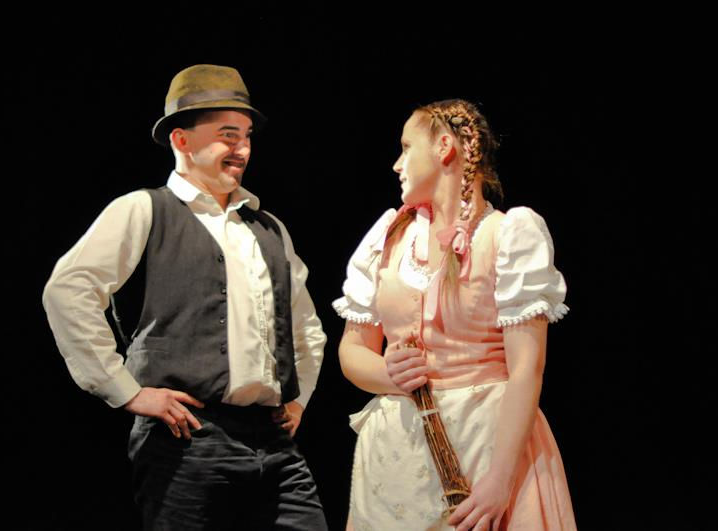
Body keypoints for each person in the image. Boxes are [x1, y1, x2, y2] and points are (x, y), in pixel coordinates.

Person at [43, 64, 329, 530]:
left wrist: (299, 401)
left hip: (273, 440)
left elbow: (305, 327)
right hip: (187, 438)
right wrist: (125, 391)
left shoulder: (268, 227)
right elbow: (68, 290)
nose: (242, 148)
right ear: (182, 140)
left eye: (247, 136)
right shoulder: (143, 209)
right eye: (227, 135)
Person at [333, 99, 577, 530]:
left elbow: (526, 369)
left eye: (406, 148)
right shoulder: (387, 237)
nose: (397, 164)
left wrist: (500, 479)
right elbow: (352, 349)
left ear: (444, 147)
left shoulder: (508, 234)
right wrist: (388, 374)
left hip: (487, 444)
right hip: (397, 458)